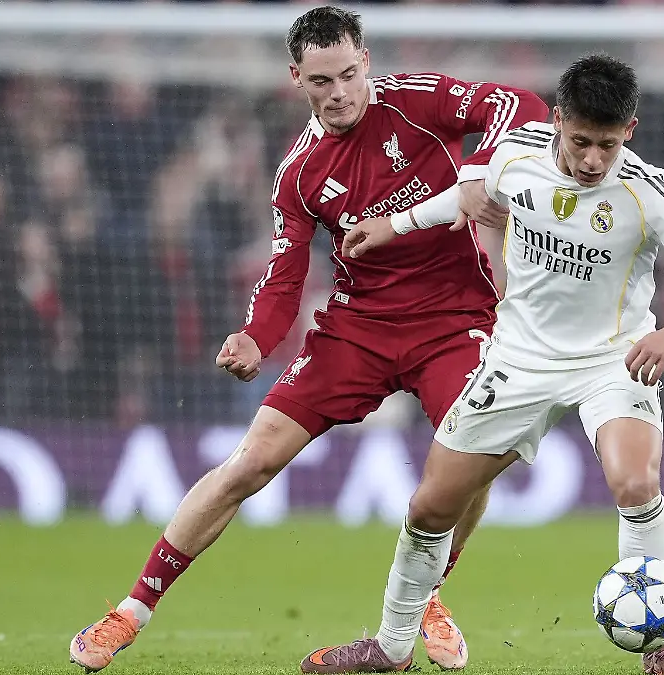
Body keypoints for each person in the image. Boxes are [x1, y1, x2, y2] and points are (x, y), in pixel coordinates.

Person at [68, 6, 548, 672]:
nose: (340, 92)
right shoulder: (298, 171)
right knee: (251, 461)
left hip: (455, 317)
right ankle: (129, 611)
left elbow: (518, 101)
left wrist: (478, 171)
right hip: (357, 328)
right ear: (296, 78)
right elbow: (283, 278)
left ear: (367, 63)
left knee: (472, 453)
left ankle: (427, 596)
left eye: (349, 74)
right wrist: (254, 338)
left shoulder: (417, 101)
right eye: (322, 80)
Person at [303, 54, 664, 675]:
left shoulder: (650, 192)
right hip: (516, 359)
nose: (593, 159)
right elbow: (460, 199)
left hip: (610, 360)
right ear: (559, 120)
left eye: (608, 144)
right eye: (580, 141)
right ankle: (390, 647)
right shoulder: (514, 152)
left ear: (632, 130)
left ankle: (660, 650)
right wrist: (392, 225)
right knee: (431, 508)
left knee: (636, 483)